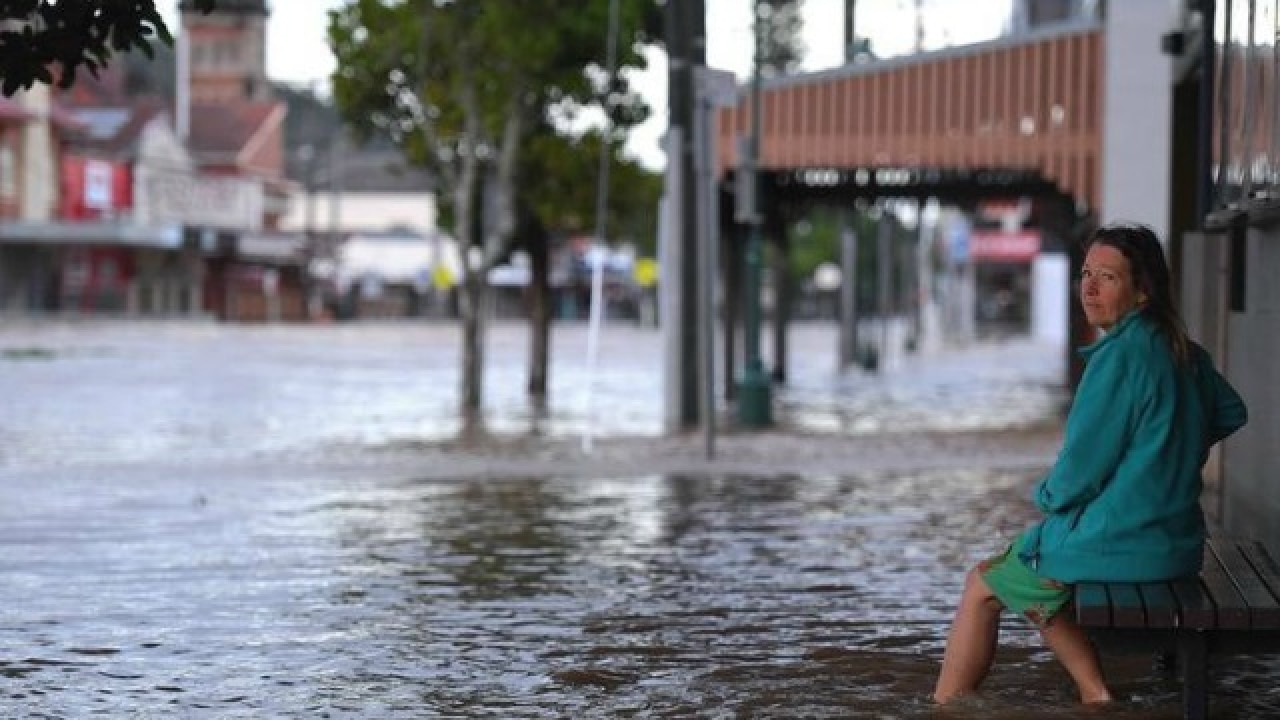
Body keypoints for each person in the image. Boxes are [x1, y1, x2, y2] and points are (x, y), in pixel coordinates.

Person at [932, 222, 1249, 706]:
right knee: (1026, 568)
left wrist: (1045, 497)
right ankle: (1094, 692)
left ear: (1142, 291)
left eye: (1108, 277)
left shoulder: (1118, 357)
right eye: (1085, 273)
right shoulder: (1181, 349)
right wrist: (1169, 451)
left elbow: (1078, 472)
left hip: (1123, 542)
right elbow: (1232, 412)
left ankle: (946, 705)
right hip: (1177, 543)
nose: (1090, 287)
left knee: (983, 583)